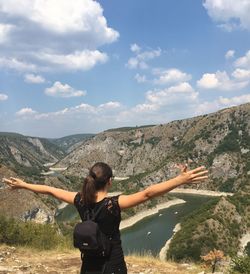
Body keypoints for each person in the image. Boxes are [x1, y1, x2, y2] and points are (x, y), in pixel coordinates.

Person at [3, 162, 208, 274]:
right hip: (113, 263)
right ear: (109, 182)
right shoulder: (113, 204)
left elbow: (49, 190)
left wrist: (24, 184)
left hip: (89, 262)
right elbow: (148, 193)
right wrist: (179, 180)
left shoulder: (79, 200)